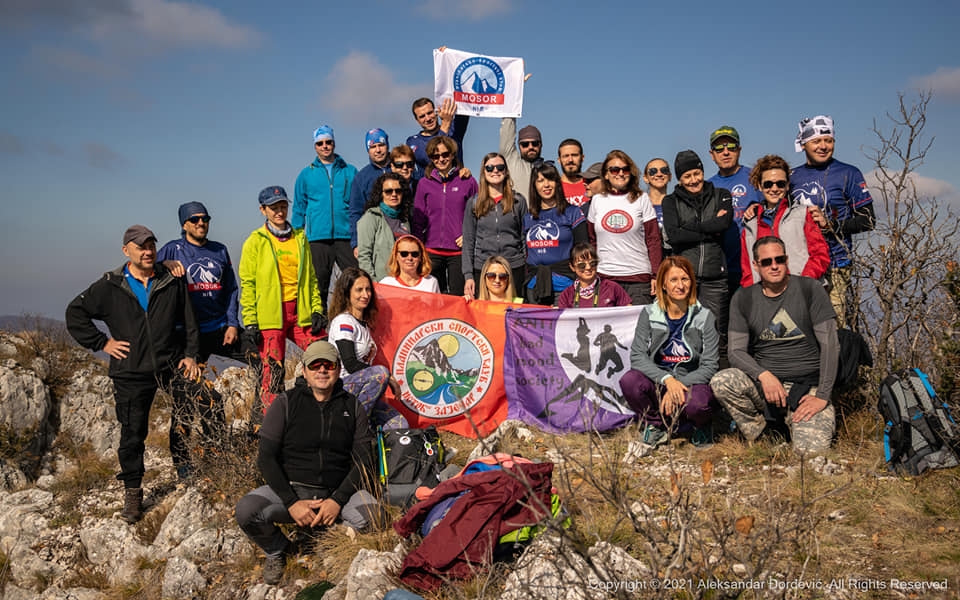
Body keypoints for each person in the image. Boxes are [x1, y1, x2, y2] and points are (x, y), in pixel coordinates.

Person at [66, 225, 200, 523]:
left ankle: (185, 470)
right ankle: (133, 492)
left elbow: (190, 319)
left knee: (188, 413)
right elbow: (75, 313)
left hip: (170, 364)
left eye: (151, 245)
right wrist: (102, 343)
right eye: (141, 247)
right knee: (133, 433)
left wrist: (190, 354)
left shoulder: (171, 279)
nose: (147, 251)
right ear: (126, 250)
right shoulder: (110, 285)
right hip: (130, 372)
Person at [234, 341, 382, 586]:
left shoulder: (353, 406)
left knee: (375, 516)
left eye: (328, 365)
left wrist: (337, 500)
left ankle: (329, 533)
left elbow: (365, 459)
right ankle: (278, 549)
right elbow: (266, 458)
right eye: (315, 365)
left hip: (337, 493)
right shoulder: (286, 403)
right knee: (247, 511)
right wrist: (292, 503)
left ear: (338, 369)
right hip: (293, 491)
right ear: (304, 370)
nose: (322, 370)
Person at [710, 236, 839, 453]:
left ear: (786, 260)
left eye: (779, 259)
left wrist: (822, 396)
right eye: (767, 262)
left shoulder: (810, 289)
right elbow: (735, 351)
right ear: (756, 265)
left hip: (807, 388)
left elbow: (831, 345)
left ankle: (795, 425)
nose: (774, 266)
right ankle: (764, 434)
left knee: (810, 454)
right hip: (766, 387)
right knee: (722, 381)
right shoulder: (743, 298)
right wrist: (763, 375)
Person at [158, 202, 259, 448]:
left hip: (220, 329)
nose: (201, 223)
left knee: (263, 358)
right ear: (184, 224)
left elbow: (231, 289)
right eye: (194, 219)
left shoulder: (219, 250)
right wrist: (164, 265)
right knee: (185, 399)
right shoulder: (172, 249)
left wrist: (233, 323)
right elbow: (146, 270)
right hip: (188, 337)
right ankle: (186, 460)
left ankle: (259, 427)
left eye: (205, 218)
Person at [619, 256, 719, 448]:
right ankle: (656, 426)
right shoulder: (649, 313)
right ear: (663, 284)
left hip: (691, 383)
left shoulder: (705, 316)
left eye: (685, 279)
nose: (680, 285)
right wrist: (668, 380)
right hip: (661, 381)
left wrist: (678, 385)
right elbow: (637, 357)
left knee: (698, 404)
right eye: (673, 280)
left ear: (692, 282)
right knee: (629, 381)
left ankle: (701, 425)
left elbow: (710, 366)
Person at [240, 186, 325, 412]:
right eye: (273, 207)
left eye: (283, 206)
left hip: (301, 312)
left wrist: (317, 309)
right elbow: (248, 283)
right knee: (273, 372)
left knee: (323, 355)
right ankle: (270, 422)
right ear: (263, 210)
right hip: (271, 315)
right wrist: (250, 320)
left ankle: (315, 408)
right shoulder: (255, 241)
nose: (279, 212)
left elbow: (311, 278)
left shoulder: (300, 237)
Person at [789, 115, 875, 328]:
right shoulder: (792, 176)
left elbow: (868, 220)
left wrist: (832, 226)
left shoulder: (848, 173)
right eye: (816, 141)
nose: (823, 146)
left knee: (833, 327)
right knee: (801, 326)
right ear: (804, 143)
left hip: (836, 263)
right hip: (801, 264)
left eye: (828, 140)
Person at [662, 150, 733, 358]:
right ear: (680, 179)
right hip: (683, 277)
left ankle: (717, 374)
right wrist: (710, 227)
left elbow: (724, 224)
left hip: (715, 277)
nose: (693, 180)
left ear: (702, 172)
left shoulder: (721, 194)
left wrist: (689, 227)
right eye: (687, 176)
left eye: (696, 174)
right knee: (683, 330)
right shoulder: (670, 201)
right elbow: (674, 236)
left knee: (716, 333)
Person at [327, 267, 407, 429]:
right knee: (381, 373)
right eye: (359, 290)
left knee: (399, 425)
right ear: (347, 293)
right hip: (342, 389)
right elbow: (350, 363)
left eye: (368, 289)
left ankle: (371, 436)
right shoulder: (344, 322)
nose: (365, 295)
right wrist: (389, 378)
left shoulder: (364, 325)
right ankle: (355, 428)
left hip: (359, 392)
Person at [292, 125, 359, 310]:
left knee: (355, 280)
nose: (325, 146)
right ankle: (319, 321)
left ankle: (355, 319)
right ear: (315, 146)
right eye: (320, 143)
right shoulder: (306, 174)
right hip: (317, 239)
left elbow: (358, 204)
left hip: (345, 236)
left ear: (334, 143)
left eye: (328, 142)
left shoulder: (350, 171)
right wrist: (296, 239)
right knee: (319, 284)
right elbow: (299, 208)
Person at [740, 155, 830, 286]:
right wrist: (751, 293)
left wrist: (804, 281)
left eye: (780, 184)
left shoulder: (803, 214)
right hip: (765, 293)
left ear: (787, 185)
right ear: (759, 186)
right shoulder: (750, 226)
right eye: (768, 184)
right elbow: (747, 270)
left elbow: (820, 254)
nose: (774, 189)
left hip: (804, 289)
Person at [588, 150, 663, 305]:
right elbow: (592, 240)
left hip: (638, 279)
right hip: (605, 278)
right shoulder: (597, 200)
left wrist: (656, 275)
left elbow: (653, 239)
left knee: (640, 321)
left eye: (625, 169)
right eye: (614, 170)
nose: (621, 173)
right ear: (606, 174)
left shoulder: (642, 198)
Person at [411, 135, 478, 296]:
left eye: (445, 154)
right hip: (431, 251)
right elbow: (418, 219)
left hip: (459, 252)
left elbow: (479, 214)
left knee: (459, 298)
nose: (441, 159)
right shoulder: (424, 183)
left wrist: (469, 235)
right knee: (433, 299)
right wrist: (419, 246)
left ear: (453, 154)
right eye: (436, 156)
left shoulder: (467, 181)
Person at [706, 126, 764, 293]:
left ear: (739, 150)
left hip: (753, 268)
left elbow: (775, 209)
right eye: (719, 148)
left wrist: (760, 208)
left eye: (731, 147)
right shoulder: (707, 186)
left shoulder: (755, 178)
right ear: (712, 154)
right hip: (721, 270)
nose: (726, 152)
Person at [461, 152, 527, 299]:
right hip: (484, 268)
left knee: (515, 308)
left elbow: (524, 237)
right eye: (490, 168)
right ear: (484, 172)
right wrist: (468, 275)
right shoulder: (474, 203)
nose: (495, 171)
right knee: (485, 310)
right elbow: (468, 241)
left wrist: (526, 267)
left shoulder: (518, 201)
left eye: (500, 167)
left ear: (506, 171)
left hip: (514, 267)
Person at [523, 161, 588, 305]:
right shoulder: (528, 217)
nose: (546, 185)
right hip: (534, 287)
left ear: (557, 183)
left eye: (550, 179)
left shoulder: (573, 212)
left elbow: (583, 250)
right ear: (534, 186)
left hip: (565, 287)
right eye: (540, 181)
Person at [357, 173, 412, 282]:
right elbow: (364, 255)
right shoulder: (371, 217)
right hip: (381, 281)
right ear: (380, 194)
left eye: (398, 191)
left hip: (404, 281)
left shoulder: (405, 220)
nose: (394, 194)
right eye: (388, 191)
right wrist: (373, 283)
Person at [349, 128, 392, 251]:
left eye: (381, 145)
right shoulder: (361, 177)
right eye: (373, 147)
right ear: (368, 150)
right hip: (375, 237)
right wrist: (356, 242)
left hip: (400, 232)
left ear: (387, 146)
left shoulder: (400, 167)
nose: (378, 150)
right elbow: (355, 212)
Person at [556, 242, 631, 309]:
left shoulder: (612, 288)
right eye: (582, 265)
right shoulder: (566, 295)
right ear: (572, 267)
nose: (588, 267)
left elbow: (630, 313)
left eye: (592, 263)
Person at [407, 95, 469, 169]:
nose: (428, 118)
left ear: (436, 112)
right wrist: (445, 124)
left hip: (457, 176)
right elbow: (432, 158)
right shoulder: (414, 142)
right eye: (422, 116)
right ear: (417, 120)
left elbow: (465, 107)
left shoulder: (454, 130)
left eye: (430, 113)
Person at [499, 118, 542, 197]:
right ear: (519, 146)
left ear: (541, 145)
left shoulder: (550, 172)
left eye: (535, 143)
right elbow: (507, 131)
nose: (530, 147)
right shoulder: (511, 161)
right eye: (525, 144)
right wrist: (511, 113)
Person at [642, 157, 672, 253]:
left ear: (670, 176)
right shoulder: (639, 205)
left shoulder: (678, 204)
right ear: (645, 178)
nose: (659, 174)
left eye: (664, 170)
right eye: (653, 171)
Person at [558, 138, 587, 207]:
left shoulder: (592, 185)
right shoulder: (553, 188)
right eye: (566, 156)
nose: (570, 160)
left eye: (574, 155)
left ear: (582, 158)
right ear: (559, 160)